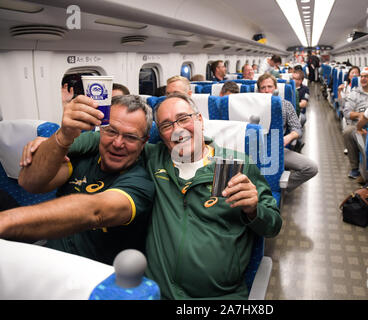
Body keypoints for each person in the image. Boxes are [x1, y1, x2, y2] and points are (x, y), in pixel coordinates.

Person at [37, 92, 282, 299]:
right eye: (166, 125)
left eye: (183, 119)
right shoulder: (153, 158)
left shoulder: (230, 164)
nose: (177, 130)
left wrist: (254, 209)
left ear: (199, 120)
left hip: (220, 296)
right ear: (160, 135)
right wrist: (52, 142)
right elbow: (104, 139)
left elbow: (272, 225)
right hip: (158, 293)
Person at [0, 95, 155, 265]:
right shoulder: (84, 158)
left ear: (144, 142)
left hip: (88, 276)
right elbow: (29, 182)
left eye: (130, 137)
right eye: (111, 131)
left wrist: (7, 221)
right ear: (101, 130)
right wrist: (63, 136)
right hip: (48, 259)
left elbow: (95, 212)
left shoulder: (141, 181)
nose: (118, 143)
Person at [257, 73, 318, 192]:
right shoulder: (251, 104)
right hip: (253, 148)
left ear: (275, 88)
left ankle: (279, 186)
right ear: (259, 90)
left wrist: (288, 138)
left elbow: (297, 129)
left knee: (311, 168)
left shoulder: (286, 105)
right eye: (263, 88)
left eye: (269, 87)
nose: (266, 90)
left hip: (277, 148)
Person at [342, 66, 368, 179]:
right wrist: (359, 115)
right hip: (357, 125)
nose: (363, 79)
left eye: (366, 76)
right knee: (347, 132)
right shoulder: (354, 93)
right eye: (361, 76)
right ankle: (355, 168)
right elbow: (347, 112)